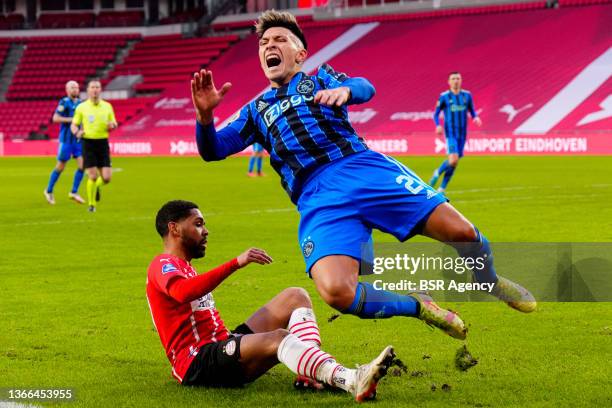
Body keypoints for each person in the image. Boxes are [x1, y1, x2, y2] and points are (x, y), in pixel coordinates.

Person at [191, 11, 536, 342]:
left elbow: (364, 86)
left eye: (280, 39)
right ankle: (418, 305)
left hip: (363, 169)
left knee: (462, 232)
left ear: (300, 54)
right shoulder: (256, 111)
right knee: (337, 292)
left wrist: (347, 92)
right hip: (318, 198)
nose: (269, 45)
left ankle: (488, 279)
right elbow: (213, 149)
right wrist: (205, 118)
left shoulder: (320, 79)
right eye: (264, 42)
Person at [147, 200, 394, 402]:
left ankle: (308, 372)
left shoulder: (184, 267)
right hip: (197, 361)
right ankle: (349, 379)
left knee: (295, 296)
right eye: (198, 224)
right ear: (174, 229)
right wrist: (235, 263)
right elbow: (182, 292)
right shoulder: (163, 264)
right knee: (278, 338)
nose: (205, 231)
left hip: (220, 343)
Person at [429, 72, 482, 192]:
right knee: (453, 159)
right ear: (449, 81)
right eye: (453, 78)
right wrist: (438, 125)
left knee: (454, 162)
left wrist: (476, 117)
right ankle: (437, 172)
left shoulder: (467, 95)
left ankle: (441, 188)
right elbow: (436, 114)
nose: (456, 81)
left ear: (461, 80)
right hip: (450, 133)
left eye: (458, 78)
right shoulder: (444, 97)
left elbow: (472, 110)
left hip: (462, 134)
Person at [71, 79, 117, 213]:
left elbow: (114, 123)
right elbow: (74, 124)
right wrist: (77, 132)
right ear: (88, 90)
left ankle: (97, 186)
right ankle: (92, 205)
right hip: (88, 143)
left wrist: (112, 126)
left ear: (100, 90)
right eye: (92, 87)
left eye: (97, 87)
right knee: (92, 175)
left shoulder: (107, 106)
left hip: (102, 143)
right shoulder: (82, 107)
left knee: (107, 178)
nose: (95, 89)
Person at [44, 80, 85, 205]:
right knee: (60, 167)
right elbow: (55, 118)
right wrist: (72, 120)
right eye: (72, 87)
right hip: (66, 140)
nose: (75, 89)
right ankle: (49, 190)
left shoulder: (81, 104)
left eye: (77, 87)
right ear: (67, 90)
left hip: (78, 140)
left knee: (82, 166)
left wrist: (83, 130)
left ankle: (74, 192)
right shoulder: (64, 102)